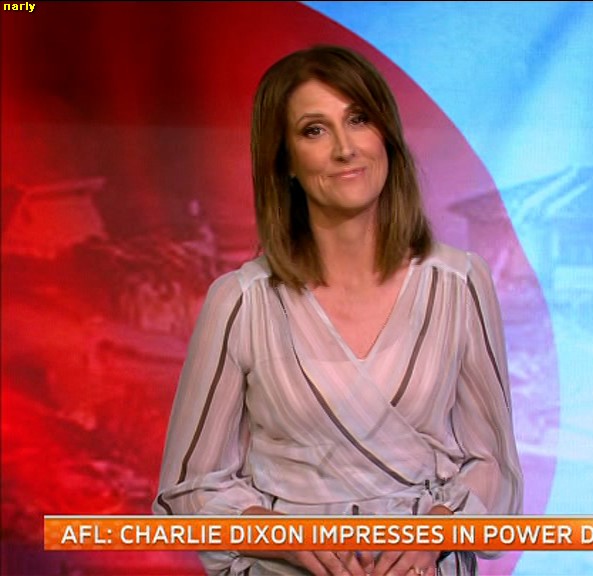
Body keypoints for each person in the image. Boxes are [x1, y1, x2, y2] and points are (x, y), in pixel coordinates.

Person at [153, 44, 523, 576]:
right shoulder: (241, 301)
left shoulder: (460, 283)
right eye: (315, 130)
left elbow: (493, 465)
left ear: (386, 136)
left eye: (358, 120)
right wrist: (287, 540)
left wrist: (435, 533)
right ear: (285, 161)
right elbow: (188, 490)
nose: (346, 148)